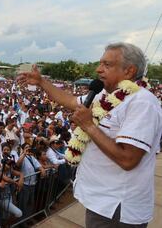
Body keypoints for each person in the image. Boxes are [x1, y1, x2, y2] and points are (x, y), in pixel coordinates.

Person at [18, 42, 162, 227]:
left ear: (129, 71)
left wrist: (89, 126)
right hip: (101, 201)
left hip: (116, 209)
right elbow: (69, 100)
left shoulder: (141, 102)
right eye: (100, 63)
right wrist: (41, 82)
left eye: (107, 65)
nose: (98, 69)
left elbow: (128, 159)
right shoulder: (106, 95)